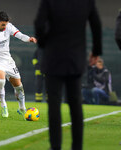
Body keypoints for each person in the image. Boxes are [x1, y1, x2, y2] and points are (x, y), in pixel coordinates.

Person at [34, 0, 102, 150]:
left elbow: (39, 23)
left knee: (54, 104)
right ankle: (77, 147)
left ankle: (55, 146)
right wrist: (96, 51)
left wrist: (44, 44)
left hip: (53, 57)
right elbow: (96, 24)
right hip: (75, 57)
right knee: (76, 104)